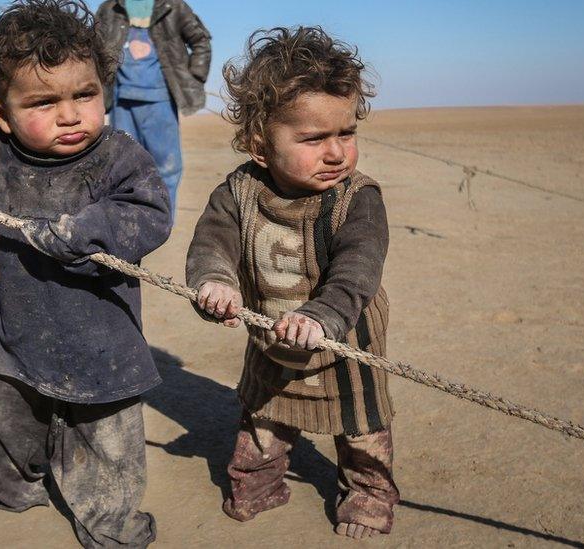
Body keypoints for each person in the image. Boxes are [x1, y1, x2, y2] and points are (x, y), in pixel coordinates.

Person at [0, 1, 170, 547]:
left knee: (108, 447)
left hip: (103, 344)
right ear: (1, 112)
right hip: (16, 335)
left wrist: (85, 229)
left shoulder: (121, 158)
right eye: (43, 102)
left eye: (84, 94)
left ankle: (111, 526)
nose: (70, 114)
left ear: (104, 88)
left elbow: (149, 216)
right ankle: (17, 487)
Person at [185, 27, 399, 540]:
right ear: (260, 145)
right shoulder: (237, 193)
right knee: (263, 421)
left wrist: (322, 317)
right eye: (313, 138)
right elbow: (211, 247)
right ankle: (260, 484)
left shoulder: (358, 199)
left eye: (345, 133)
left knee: (362, 431)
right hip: (270, 344)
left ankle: (367, 495)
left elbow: (357, 269)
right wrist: (215, 284)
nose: (336, 153)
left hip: (347, 344)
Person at [96, 0, 211, 222]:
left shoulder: (173, 6)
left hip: (161, 100)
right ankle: (128, 219)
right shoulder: (110, 9)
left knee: (167, 166)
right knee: (121, 164)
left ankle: (162, 221)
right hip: (122, 102)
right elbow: (93, 47)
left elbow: (200, 40)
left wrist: (194, 76)